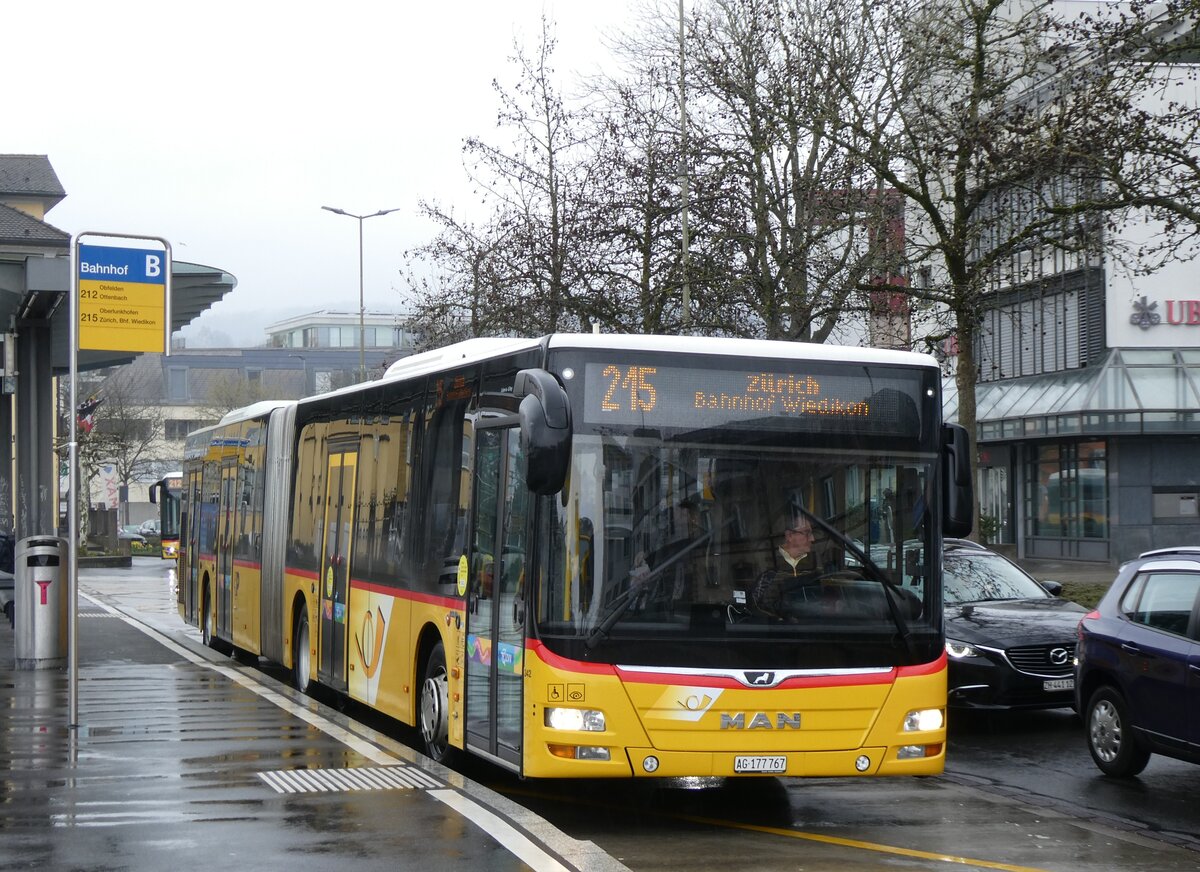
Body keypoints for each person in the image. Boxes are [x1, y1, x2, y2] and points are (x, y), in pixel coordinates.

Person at [751, 517, 820, 620]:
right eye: (807, 533)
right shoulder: (768, 564)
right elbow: (758, 607)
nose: (812, 539)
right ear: (789, 536)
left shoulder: (814, 562)